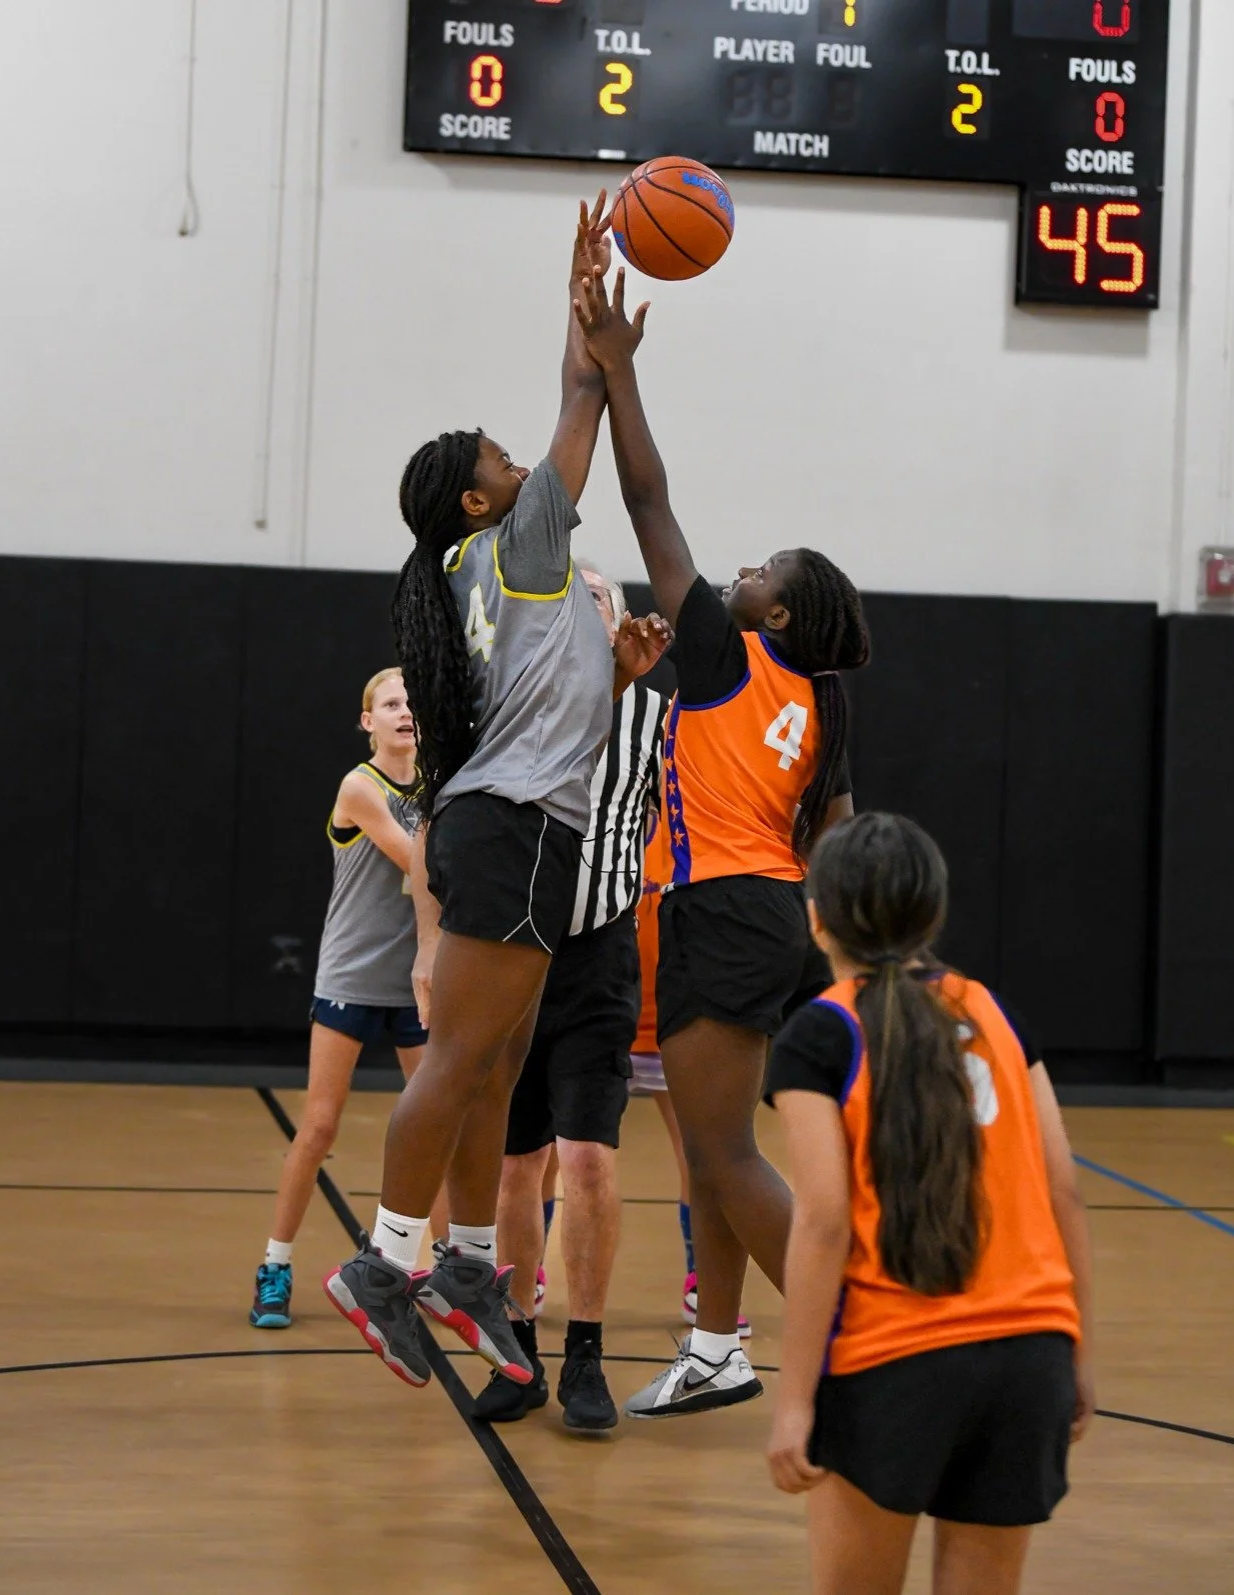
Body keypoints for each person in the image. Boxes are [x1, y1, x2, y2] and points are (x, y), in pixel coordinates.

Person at [323, 199, 670, 1389]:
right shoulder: (519, 543)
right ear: (479, 502)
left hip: (527, 828)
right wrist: (586, 328)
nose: (520, 467)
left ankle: (470, 1260)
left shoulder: (500, 565)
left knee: (495, 1058)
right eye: (501, 466)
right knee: (461, 1056)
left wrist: (621, 680)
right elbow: (578, 411)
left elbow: (556, 705)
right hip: (510, 828)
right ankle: (382, 1263)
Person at [571, 266, 870, 1417]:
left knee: (725, 1158)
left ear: (775, 613)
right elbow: (834, 838)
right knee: (709, 1152)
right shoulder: (824, 700)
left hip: (721, 909)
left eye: (759, 574)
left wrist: (620, 373)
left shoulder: (724, 652)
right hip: (783, 917)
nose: (738, 571)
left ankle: (858, 1332)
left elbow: (649, 498)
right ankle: (714, 1347)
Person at [764, 813, 1094, 1595]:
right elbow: (1065, 1191)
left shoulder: (822, 1033)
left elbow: (822, 1223)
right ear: (933, 914)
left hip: (894, 1365)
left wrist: (794, 1400)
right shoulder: (995, 1014)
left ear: (817, 915)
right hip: (1030, 1358)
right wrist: (1076, 1351)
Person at [484, 564, 667, 1430]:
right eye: (564, 598)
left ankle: (584, 1352)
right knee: (518, 1165)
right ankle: (516, 1348)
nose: (578, 608)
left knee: (588, 1157)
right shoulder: (517, 704)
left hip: (600, 957)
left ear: (619, 616)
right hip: (518, 957)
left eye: (592, 595)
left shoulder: (657, 719)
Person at [249, 668, 443, 1327]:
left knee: (433, 1126)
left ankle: (443, 1271)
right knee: (321, 1123)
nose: (404, 712)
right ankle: (274, 1264)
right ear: (368, 721)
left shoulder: (439, 782)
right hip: (352, 975)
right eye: (390, 703)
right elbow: (420, 862)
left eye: (412, 703)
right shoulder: (360, 788)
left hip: (416, 981)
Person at [628, 813, 752, 1337]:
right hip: (606, 1018)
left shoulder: (695, 827)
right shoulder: (605, 822)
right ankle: (528, 1269)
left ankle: (703, 1280)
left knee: (699, 1155)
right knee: (558, 1156)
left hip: (674, 1022)